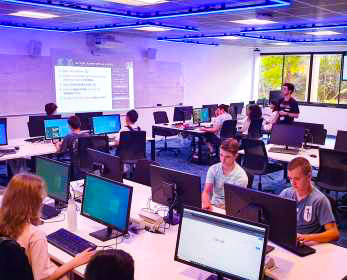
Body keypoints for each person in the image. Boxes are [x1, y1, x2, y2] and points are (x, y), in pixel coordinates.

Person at [0, 173, 95, 280]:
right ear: (34, 203)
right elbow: (43, 279)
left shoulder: (2, 219)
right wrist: (74, 262)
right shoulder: (35, 235)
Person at [279, 157, 339, 244]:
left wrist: (306, 237)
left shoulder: (319, 200)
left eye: (297, 178)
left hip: (307, 244)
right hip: (288, 239)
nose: (293, 183)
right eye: (290, 178)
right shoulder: (286, 193)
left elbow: (334, 234)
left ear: (309, 176)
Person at [202, 138, 248, 209]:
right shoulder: (213, 169)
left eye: (227, 157)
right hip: (213, 205)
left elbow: (235, 202)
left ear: (236, 156)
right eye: (221, 155)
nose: (223, 160)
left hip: (230, 208)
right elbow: (206, 192)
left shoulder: (241, 177)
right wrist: (207, 204)